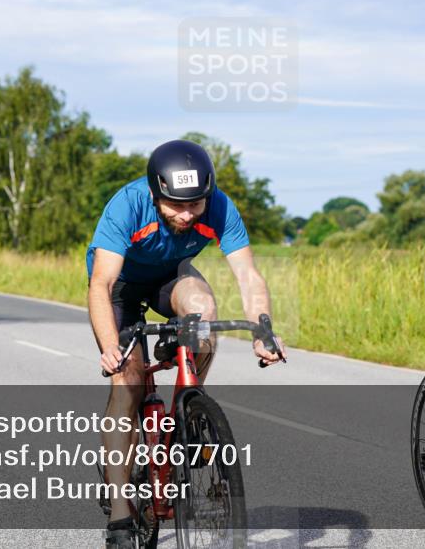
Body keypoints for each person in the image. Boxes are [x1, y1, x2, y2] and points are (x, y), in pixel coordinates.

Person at [87, 139, 283, 548]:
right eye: (176, 205)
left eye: (195, 204)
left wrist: (263, 329)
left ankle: (190, 408)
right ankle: (121, 515)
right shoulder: (127, 206)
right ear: (155, 193)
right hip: (121, 287)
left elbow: (248, 275)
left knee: (204, 313)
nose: (186, 213)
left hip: (169, 278)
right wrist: (111, 347)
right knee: (129, 382)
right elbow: (101, 284)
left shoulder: (220, 207)